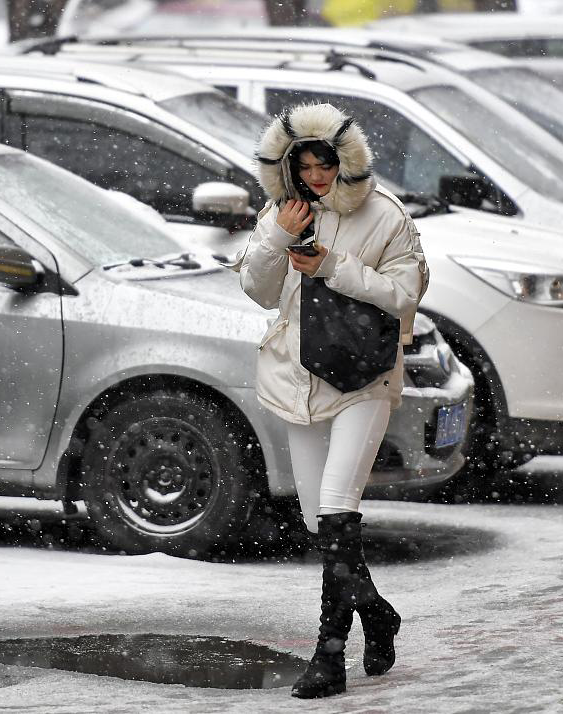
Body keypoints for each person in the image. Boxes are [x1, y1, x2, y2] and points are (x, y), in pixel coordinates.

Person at [237, 102, 429, 699]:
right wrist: (279, 236)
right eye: (306, 165)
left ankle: (328, 656)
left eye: (326, 164)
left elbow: (405, 292)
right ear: (288, 168)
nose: (317, 177)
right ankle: (375, 611)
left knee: (338, 507)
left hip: (364, 378)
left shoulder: (385, 215)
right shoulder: (282, 213)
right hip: (298, 380)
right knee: (317, 520)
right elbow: (259, 291)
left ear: (347, 161)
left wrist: (332, 267)